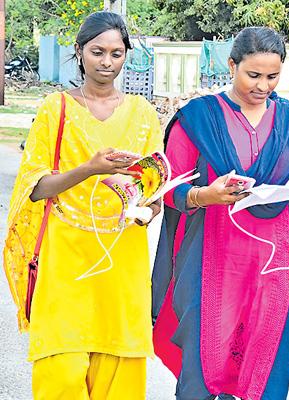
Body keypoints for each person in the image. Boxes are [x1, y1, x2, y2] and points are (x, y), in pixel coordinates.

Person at [151, 27, 289, 400]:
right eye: (253, 75)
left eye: (273, 76)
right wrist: (205, 195)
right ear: (232, 65)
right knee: (202, 361)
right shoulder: (197, 118)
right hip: (212, 259)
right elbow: (168, 191)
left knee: (267, 362)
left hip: (276, 263)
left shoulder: (286, 119)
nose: (263, 85)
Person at [2, 11, 163, 399]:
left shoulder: (142, 113)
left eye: (116, 53)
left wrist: (147, 208)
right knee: (62, 373)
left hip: (123, 258)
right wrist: (89, 169)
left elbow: (153, 184)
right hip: (65, 257)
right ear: (79, 52)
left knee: (119, 371)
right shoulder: (55, 109)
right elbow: (35, 188)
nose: (107, 62)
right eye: (97, 52)